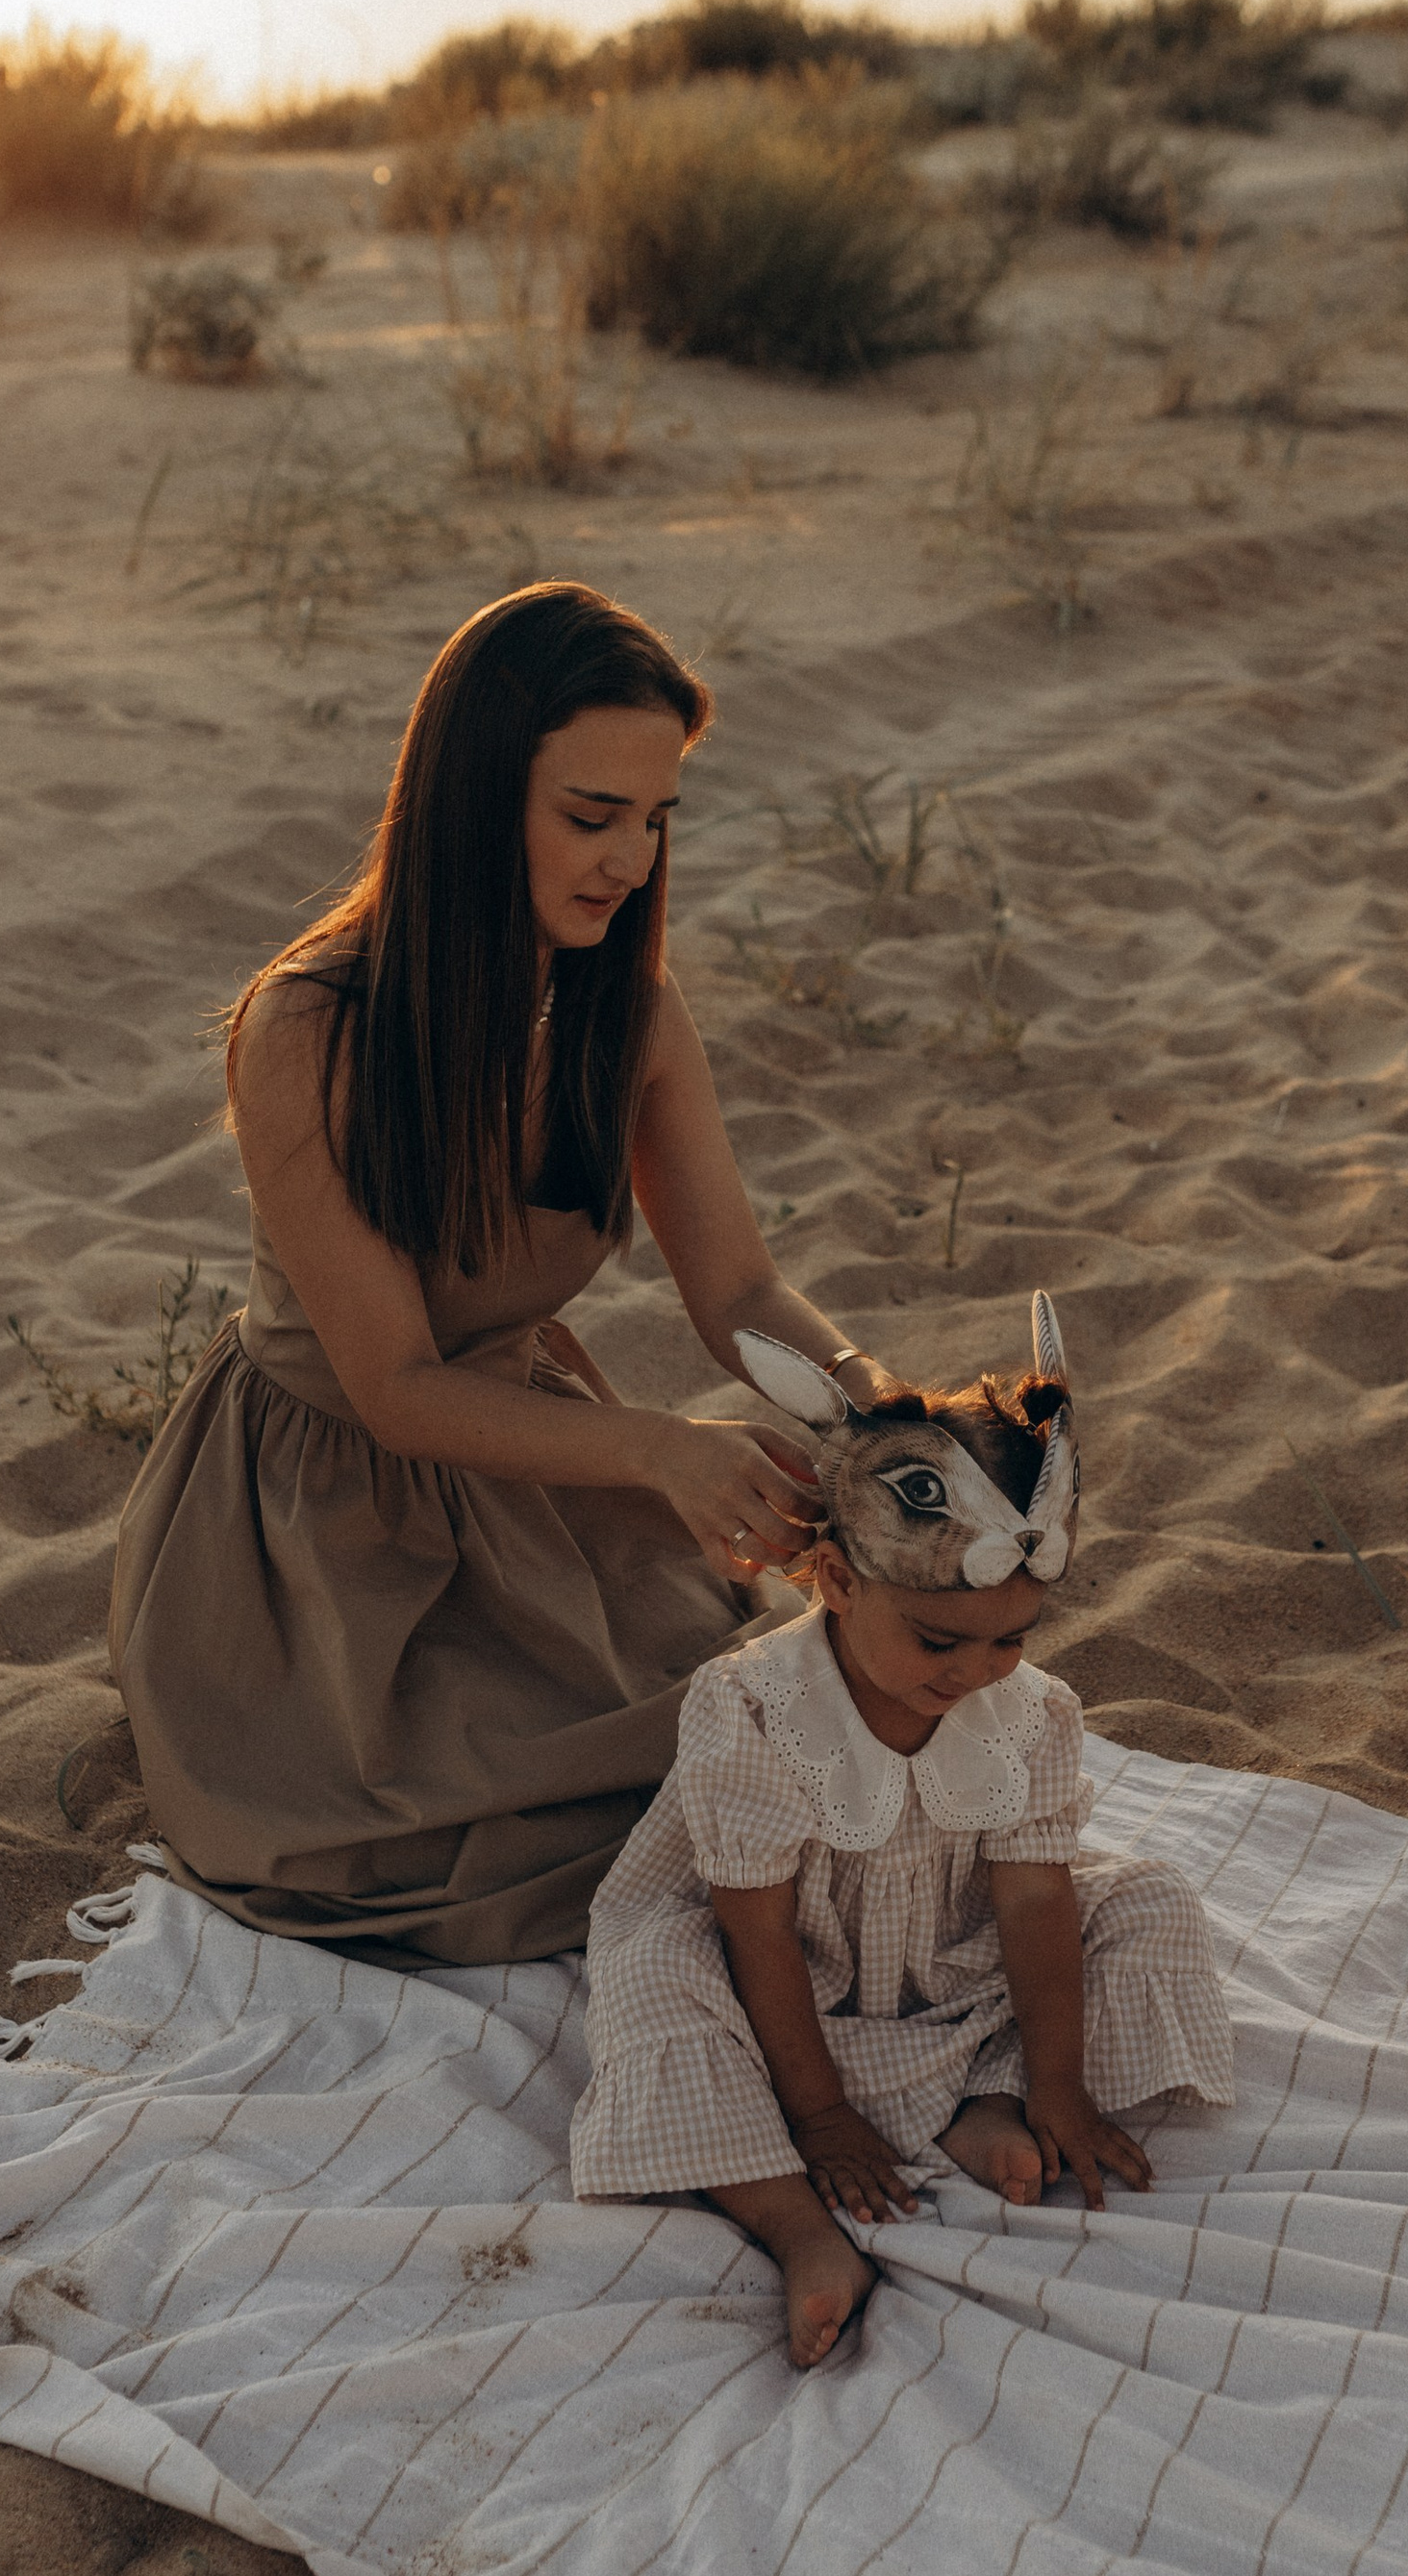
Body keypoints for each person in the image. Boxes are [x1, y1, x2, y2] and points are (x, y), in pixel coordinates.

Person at [110, 580, 901, 1964]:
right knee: (489, 1833)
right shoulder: (310, 1029)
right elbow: (398, 1385)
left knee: (765, 1745)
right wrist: (663, 1451)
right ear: (474, 802)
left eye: (658, 820)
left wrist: (884, 1415)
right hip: (322, 1506)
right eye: (591, 818)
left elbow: (739, 1295)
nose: (632, 863)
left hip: (534, 1468)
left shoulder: (629, 1012)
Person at [568, 1302, 1237, 2366]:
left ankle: (991, 2096)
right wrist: (822, 2111)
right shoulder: (747, 1708)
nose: (975, 1672)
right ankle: (799, 2229)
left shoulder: (1033, 1713)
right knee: (650, 1976)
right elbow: (760, 1932)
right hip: (794, 1979)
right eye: (939, 1641)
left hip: (949, 1953)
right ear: (834, 1582)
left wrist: (1057, 2079)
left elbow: (1029, 1897)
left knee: (1148, 1896)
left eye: (1010, 1641)